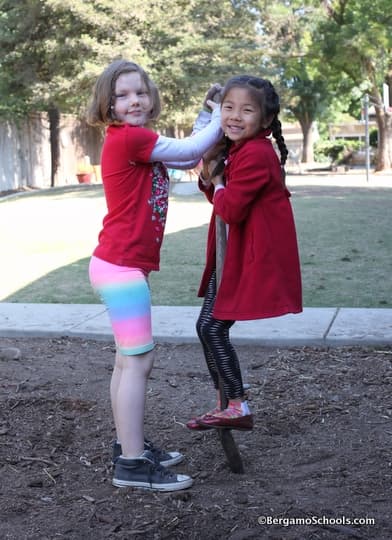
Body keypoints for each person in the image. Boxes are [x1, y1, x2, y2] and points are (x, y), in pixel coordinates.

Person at [86, 59, 222, 491]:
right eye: (122, 95)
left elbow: (189, 155)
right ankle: (131, 465)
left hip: (119, 265)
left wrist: (206, 114)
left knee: (127, 362)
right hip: (120, 268)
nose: (134, 101)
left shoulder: (137, 140)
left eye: (140, 92)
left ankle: (131, 446)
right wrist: (221, 116)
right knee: (139, 362)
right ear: (107, 102)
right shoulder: (130, 139)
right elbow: (186, 152)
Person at [186, 75, 302, 431]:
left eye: (247, 110)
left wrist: (218, 182)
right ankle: (229, 396)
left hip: (251, 256)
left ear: (265, 120)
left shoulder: (254, 153)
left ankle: (236, 403)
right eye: (228, 108)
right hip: (234, 252)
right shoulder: (240, 149)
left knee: (211, 328)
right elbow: (221, 200)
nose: (235, 116)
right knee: (207, 327)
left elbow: (231, 209)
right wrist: (213, 178)